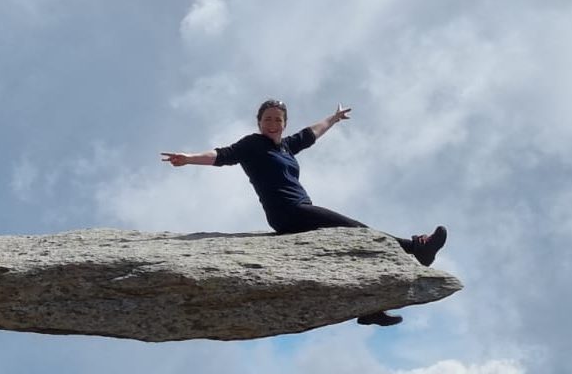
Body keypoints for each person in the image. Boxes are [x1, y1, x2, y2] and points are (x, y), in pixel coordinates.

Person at [161, 99, 447, 327]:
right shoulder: (253, 145)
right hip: (289, 212)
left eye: (278, 119)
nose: (272, 123)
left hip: (302, 210)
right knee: (358, 232)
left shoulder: (286, 147)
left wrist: (333, 119)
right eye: (267, 119)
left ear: (284, 124)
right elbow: (222, 155)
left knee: (350, 249)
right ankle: (415, 248)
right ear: (259, 122)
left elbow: (311, 134)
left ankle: (371, 307)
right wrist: (189, 159)